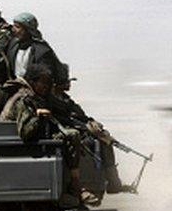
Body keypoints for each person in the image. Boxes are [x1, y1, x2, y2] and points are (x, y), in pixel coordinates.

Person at [1, 64, 98, 207]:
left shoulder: (39, 96)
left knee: (77, 135)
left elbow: (63, 111)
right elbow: (25, 133)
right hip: (22, 145)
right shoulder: (24, 99)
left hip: (35, 140)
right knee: (71, 136)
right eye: (43, 82)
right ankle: (75, 185)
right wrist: (39, 117)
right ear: (33, 82)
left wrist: (87, 123)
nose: (46, 86)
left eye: (48, 82)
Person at [50, 64, 132, 194]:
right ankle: (83, 186)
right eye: (66, 81)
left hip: (76, 130)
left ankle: (113, 181)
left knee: (105, 139)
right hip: (66, 134)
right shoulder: (50, 100)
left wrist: (92, 123)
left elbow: (81, 115)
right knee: (87, 144)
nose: (69, 84)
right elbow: (60, 120)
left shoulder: (65, 99)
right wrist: (84, 126)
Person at [4, 12, 63, 81]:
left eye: (18, 27)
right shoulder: (12, 45)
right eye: (14, 26)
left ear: (28, 30)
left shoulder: (41, 51)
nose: (13, 30)